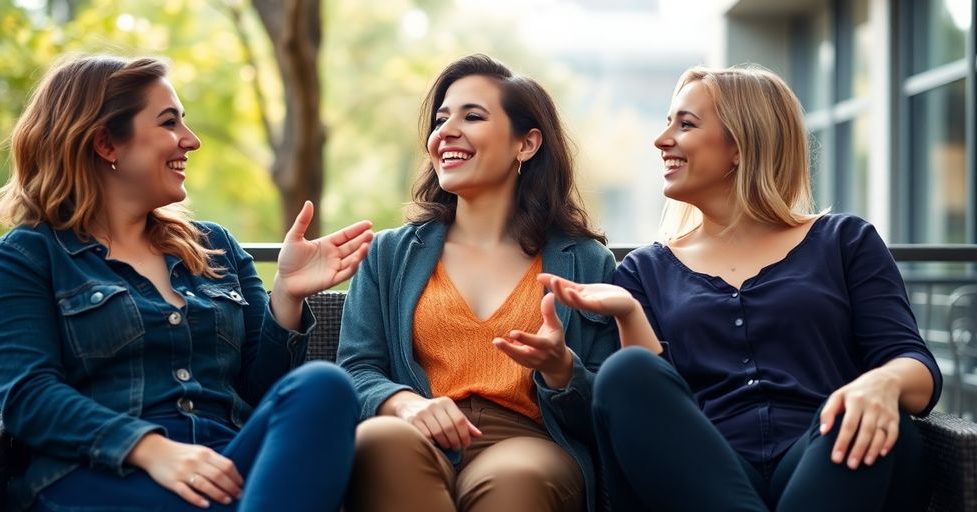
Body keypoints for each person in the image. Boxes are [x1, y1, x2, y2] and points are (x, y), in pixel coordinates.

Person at [0, 55, 374, 512]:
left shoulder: (217, 247)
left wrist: (286, 292)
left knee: (324, 386)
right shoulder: (26, 257)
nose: (192, 140)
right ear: (107, 143)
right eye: (170, 123)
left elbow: (262, 392)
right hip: (100, 477)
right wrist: (153, 450)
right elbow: (30, 399)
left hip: (224, 471)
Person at [540, 65, 942, 511]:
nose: (661, 140)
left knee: (865, 417)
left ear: (740, 144)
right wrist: (630, 316)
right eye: (667, 122)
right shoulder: (643, 271)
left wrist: (882, 384)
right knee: (625, 372)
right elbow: (657, 416)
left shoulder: (846, 242)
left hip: (829, 457)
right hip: (708, 473)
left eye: (685, 124)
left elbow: (919, 372)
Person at [337, 54, 618, 512]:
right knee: (378, 439)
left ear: (526, 144)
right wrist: (404, 404)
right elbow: (356, 368)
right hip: (419, 432)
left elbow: (610, 408)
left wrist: (562, 369)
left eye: (472, 116)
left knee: (516, 480)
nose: (446, 131)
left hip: (528, 442)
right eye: (441, 118)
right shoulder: (389, 254)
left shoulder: (586, 261)